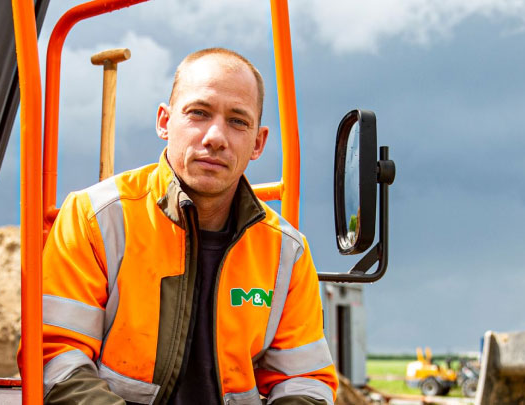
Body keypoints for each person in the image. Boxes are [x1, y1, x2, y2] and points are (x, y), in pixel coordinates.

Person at [19, 48, 338, 405]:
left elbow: (305, 382)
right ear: (164, 122)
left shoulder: (287, 253)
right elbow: (57, 358)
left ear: (258, 143)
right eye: (198, 113)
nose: (215, 137)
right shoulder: (95, 217)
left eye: (237, 121)